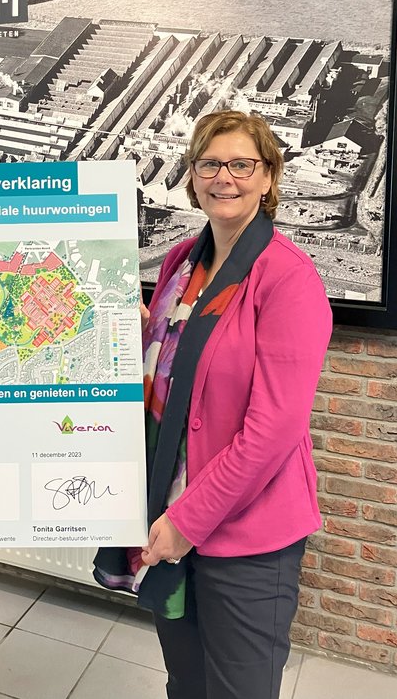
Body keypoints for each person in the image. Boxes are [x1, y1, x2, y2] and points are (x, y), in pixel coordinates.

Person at [94, 110, 332, 699]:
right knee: (186, 682)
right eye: (209, 164)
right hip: (166, 510)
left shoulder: (288, 279)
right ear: (193, 175)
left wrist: (188, 522)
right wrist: (134, 333)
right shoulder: (180, 262)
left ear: (268, 176)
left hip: (243, 533)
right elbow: (172, 369)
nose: (224, 178)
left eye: (241, 165)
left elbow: (275, 428)